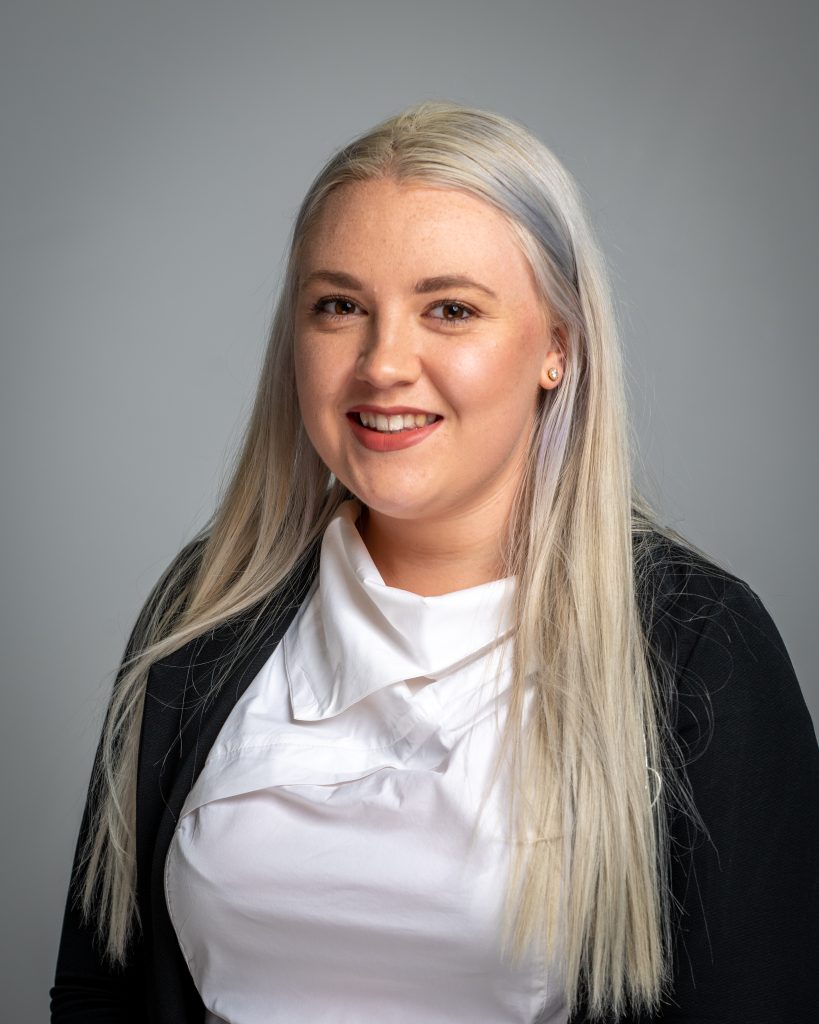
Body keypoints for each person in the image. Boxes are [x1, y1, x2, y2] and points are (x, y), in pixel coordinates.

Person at [50, 100, 818, 1024]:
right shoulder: (207, 604)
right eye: (340, 307)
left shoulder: (700, 646)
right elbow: (101, 987)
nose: (383, 363)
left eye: (449, 310)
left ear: (557, 348)